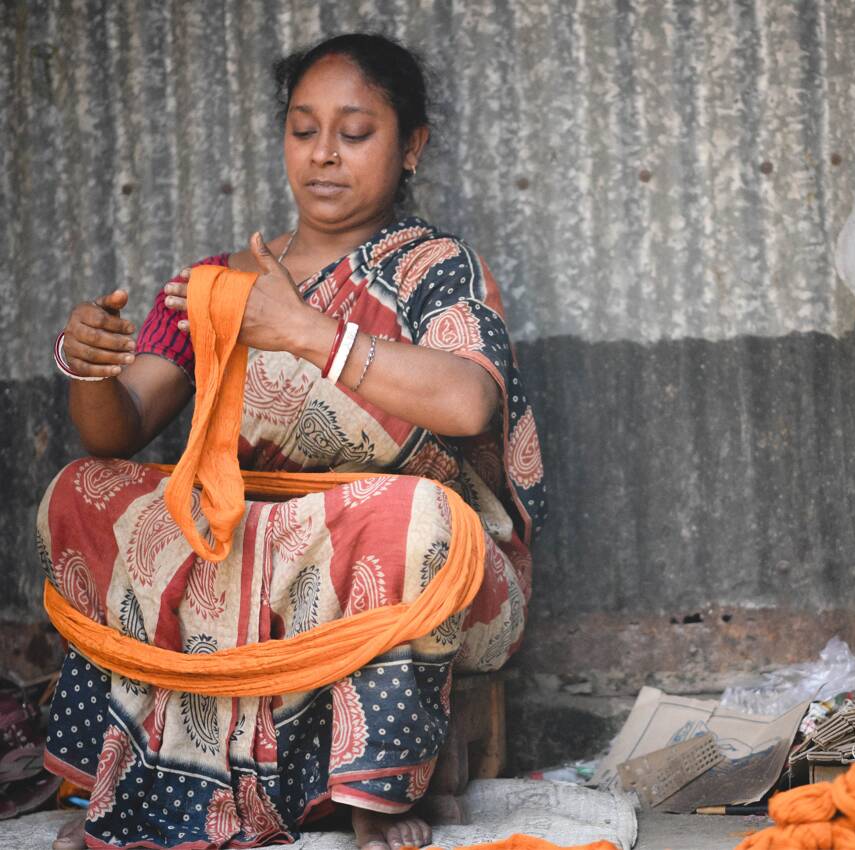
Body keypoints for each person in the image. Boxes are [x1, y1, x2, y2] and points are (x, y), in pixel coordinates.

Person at [39, 32, 545, 850]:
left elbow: (468, 401)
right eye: (304, 130)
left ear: (410, 146)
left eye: (355, 133)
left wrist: (310, 333)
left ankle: (377, 780)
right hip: (248, 553)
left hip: (392, 561)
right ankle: (140, 781)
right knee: (80, 494)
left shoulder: (435, 268)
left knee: (411, 514)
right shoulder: (220, 280)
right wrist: (88, 365)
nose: (323, 157)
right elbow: (119, 430)